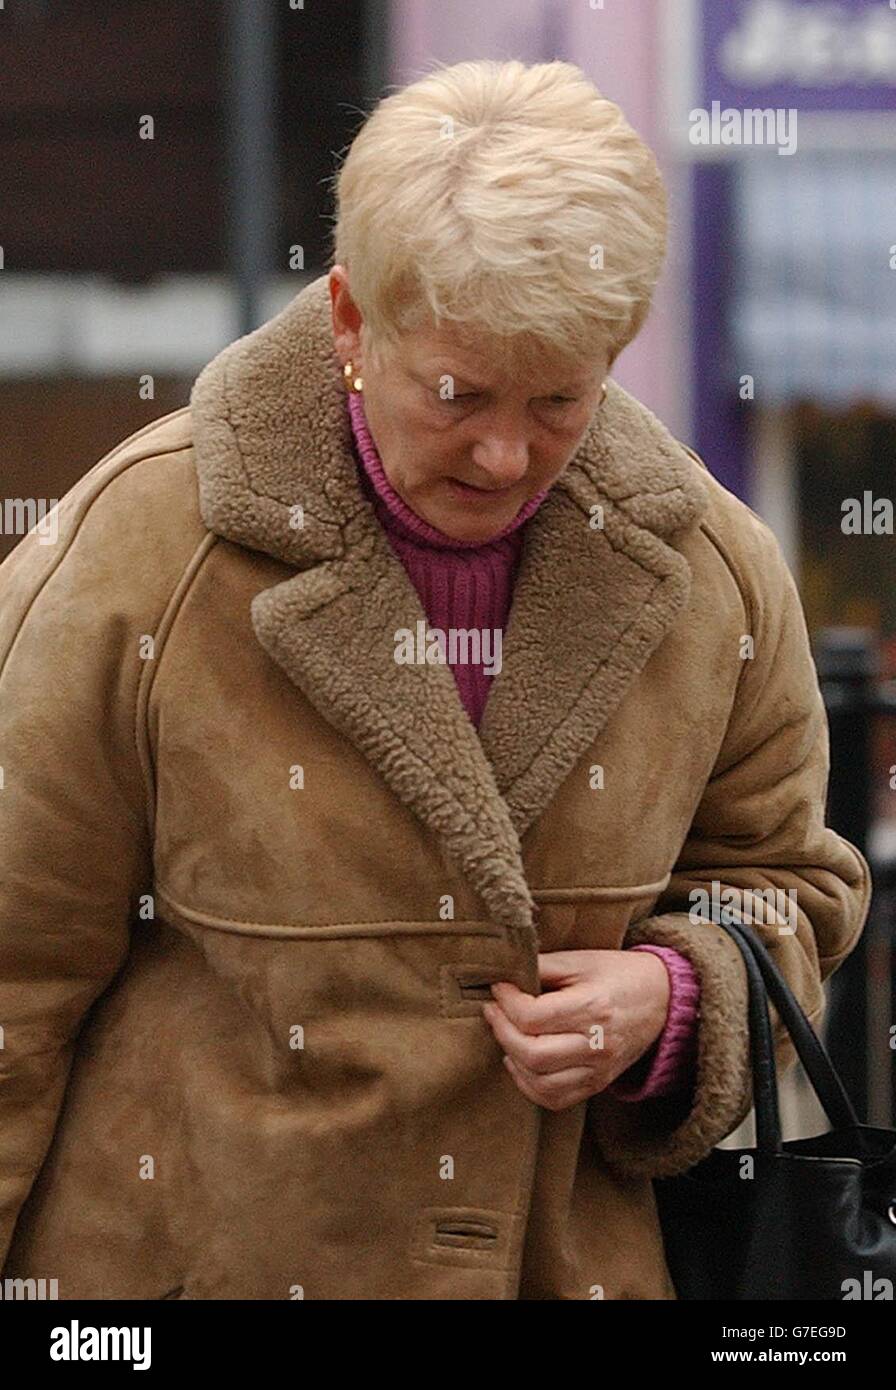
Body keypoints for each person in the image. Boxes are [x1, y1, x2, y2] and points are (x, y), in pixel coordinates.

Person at [0, 58, 870, 1300]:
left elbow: (787, 884)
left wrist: (676, 993)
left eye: (561, 399)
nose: (506, 453)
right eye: (456, 395)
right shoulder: (143, 553)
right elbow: (11, 981)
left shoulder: (714, 572)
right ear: (352, 319)